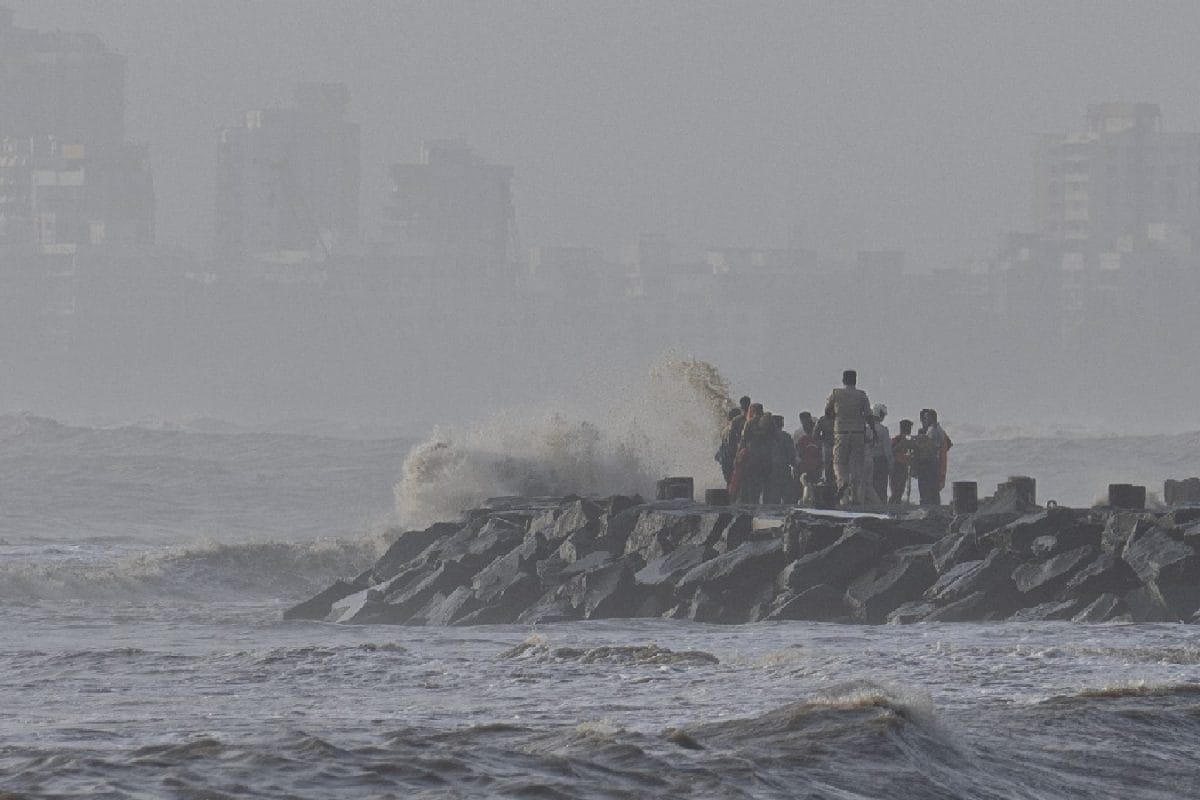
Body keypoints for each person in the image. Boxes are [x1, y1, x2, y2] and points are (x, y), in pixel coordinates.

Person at [824, 370, 875, 507]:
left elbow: (827, 412)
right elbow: (869, 415)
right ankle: (857, 497)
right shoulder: (861, 395)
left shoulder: (836, 393)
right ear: (855, 380)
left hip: (841, 431)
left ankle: (843, 484)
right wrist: (873, 431)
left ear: (843, 380)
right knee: (857, 464)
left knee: (839, 462)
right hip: (858, 432)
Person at [731, 403, 772, 504]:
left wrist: (737, 456)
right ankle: (758, 502)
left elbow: (743, 439)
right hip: (766, 457)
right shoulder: (770, 423)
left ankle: (749, 503)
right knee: (763, 483)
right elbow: (776, 439)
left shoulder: (749, 423)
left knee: (749, 482)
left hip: (752, 456)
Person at [719, 396, 752, 490]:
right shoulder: (743, 421)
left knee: (731, 483)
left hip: (727, 458)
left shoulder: (724, 430)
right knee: (739, 484)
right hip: (736, 457)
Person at [864, 403, 892, 505]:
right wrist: (891, 463)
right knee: (881, 487)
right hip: (881, 461)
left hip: (868, 459)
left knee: (869, 486)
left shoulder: (866, 429)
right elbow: (887, 449)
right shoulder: (883, 430)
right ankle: (881, 506)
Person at [766, 414, 797, 504]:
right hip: (784, 469)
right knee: (788, 498)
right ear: (782, 424)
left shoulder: (767, 437)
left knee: (773, 498)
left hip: (770, 470)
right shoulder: (786, 436)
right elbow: (791, 454)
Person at [921, 408, 953, 495]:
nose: (925, 420)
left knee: (932, 489)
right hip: (935, 462)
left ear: (931, 418)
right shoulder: (935, 429)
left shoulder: (934, 430)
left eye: (926, 418)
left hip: (934, 463)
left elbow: (933, 447)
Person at [889, 419, 917, 504]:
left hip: (904, 466)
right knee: (895, 491)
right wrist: (902, 444)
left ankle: (896, 507)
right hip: (897, 466)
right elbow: (891, 451)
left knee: (900, 490)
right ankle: (890, 507)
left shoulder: (910, 440)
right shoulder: (897, 439)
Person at [912, 426, 941, 505]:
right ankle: (935, 505)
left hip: (922, 466)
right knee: (933, 489)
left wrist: (914, 469)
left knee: (923, 490)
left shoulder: (917, 442)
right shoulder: (931, 442)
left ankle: (925, 504)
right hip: (931, 466)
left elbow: (915, 456)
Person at [792, 411, 823, 484]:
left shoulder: (800, 435)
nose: (806, 426)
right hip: (808, 467)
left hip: (813, 467)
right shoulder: (799, 435)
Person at [714, 407, 742, 485]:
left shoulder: (724, 430)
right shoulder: (734, 429)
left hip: (725, 459)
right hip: (732, 459)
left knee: (730, 483)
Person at [812, 410, 835, 485]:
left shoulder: (822, 420)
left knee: (827, 468)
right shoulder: (841, 418)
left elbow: (815, 435)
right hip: (839, 446)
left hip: (827, 445)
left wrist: (823, 439)